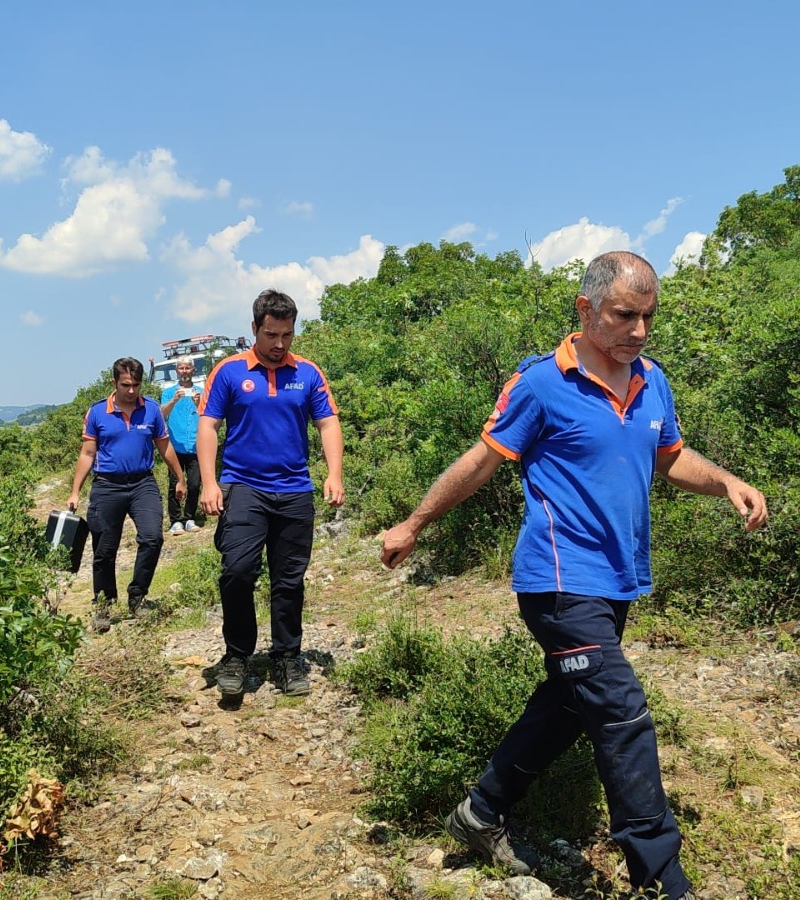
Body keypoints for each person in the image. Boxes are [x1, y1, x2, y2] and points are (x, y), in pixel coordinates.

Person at [379, 251, 767, 900]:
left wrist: (726, 480)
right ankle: (662, 880)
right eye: (624, 315)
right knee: (619, 710)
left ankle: (480, 811)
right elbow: (481, 461)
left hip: (617, 581)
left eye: (648, 317)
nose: (638, 331)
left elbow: (671, 458)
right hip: (557, 583)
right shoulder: (540, 384)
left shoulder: (651, 380)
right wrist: (414, 524)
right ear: (586, 309)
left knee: (567, 704)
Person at [198, 290, 345, 697]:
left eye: (287, 335)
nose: (279, 344)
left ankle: (286, 657)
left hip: (295, 490)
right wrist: (209, 482)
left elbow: (328, 423)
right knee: (238, 572)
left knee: (289, 580)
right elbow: (208, 426)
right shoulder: (229, 372)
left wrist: (334, 474)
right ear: (254, 330)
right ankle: (236, 655)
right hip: (244, 487)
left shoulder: (309, 373)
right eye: (271, 335)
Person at [68, 357, 186, 634]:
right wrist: (75, 492)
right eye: (125, 385)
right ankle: (104, 606)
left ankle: (138, 596)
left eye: (135, 385)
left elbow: (165, 447)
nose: (131, 391)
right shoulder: (97, 412)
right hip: (107, 486)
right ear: (114, 382)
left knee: (152, 537)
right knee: (104, 551)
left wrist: (180, 478)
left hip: (142, 483)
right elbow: (87, 453)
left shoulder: (152, 410)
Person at [160, 358, 204, 534]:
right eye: (181, 368)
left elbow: (209, 415)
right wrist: (173, 400)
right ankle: (175, 520)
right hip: (175, 445)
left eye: (187, 368)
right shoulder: (168, 392)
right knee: (174, 484)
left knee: (194, 484)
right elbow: (161, 414)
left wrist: (198, 403)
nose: (184, 371)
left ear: (193, 370)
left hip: (195, 445)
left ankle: (189, 518)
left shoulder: (201, 391)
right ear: (176, 370)